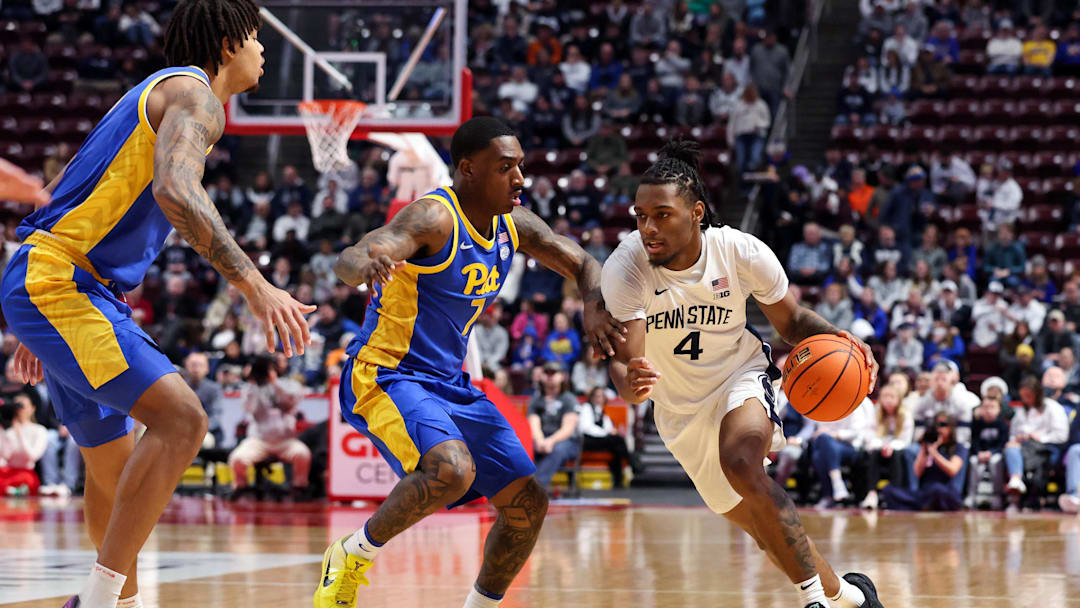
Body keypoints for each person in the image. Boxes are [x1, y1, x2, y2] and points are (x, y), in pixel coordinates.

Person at [1, 4, 317, 607]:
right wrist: (253, 283)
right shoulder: (197, 96)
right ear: (227, 44)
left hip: (58, 281)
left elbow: (76, 189)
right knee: (183, 419)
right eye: (255, 38)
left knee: (111, 469)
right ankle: (95, 602)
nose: (263, 51)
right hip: (62, 284)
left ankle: (116, 603)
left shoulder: (153, 93)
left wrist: (35, 325)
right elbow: (176, 189)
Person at [316, 117, 625, 608]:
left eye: (520, 166)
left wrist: (592, 302)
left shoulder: (514, 224)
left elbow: (585, 263)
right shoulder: (433, 218)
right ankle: (352, 555)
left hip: (449, 382)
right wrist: (365, 263)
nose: (520, 178)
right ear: (468, 170)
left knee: (528, 505)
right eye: (506, 167)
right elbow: (357, 254)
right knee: (451, 470)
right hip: (386, 373)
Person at [601, 140, 884, 608]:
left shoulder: (739, 251)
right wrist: (627, 383)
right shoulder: (627, 268)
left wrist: (844, 338)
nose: (648, 227)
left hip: (740, 375)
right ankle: (854, 597)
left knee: (741, 463)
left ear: (696, 211)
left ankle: (812, 602)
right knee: (763, 529)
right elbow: (624, 361)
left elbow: (791, 323)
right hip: (678, 410)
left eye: (662, 215)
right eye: (640, 215)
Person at [227, 355, 311, 498]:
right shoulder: (252, 388)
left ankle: (299, 488)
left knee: (303, 454)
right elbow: (247, 408)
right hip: (259, 440)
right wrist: (252, 382)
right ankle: (241, 487)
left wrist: (274, 382)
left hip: (285, 441)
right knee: (237, 458)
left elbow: (292, 400)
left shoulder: (289, 384)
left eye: (270, 369)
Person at [1003, 375, 1069, 510]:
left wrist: (1038, 437)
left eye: (1029, 395)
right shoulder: (1022, 411)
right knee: (1011, 447)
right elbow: (1013, 434)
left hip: (1048, 447)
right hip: (1024, 447)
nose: (1026, 400)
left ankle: (1021, 495)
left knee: (1029, 456)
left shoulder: (1053, 408)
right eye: (1023, 396)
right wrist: (1019, 438)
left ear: (1037, 393)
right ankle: (1016, 482)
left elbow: (1062, 435)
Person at [879, 414, 967, 511]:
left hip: (946, 491)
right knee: (888, 490)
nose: (939, 429)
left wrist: (934, 453)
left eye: (943, 425)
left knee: (936, 490)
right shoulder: (928, 446)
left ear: (951, 428)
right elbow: (917, 472)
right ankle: (922, 505)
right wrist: (924, 449)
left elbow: (952, 470)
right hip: (924, 492)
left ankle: (917, 506)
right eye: (936, 425)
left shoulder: (958, 447)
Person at [527, 361, 581, 488]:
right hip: (542, 437)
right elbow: (533, 423)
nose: (550, 376)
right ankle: (514, 486)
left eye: (554, 373)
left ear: (562, 376)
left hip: (567, 441)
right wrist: (540, 440)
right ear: (541, 376)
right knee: (525, 447)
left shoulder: (569, 399)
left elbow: (567, 429)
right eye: (547, 372)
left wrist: (550, 441)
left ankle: (535, 488)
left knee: (556, 450)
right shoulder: (536, 399)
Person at [859, 385, 914, 510]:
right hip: (879, 448)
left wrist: (891, 446)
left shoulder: (905, 415)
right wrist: (881, 446)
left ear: (898, 399)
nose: (888, 400)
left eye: (892, 397)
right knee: (873, 454)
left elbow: (906, 440)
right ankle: (872, 494)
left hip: (898, 450)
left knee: (896, 455)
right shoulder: (876, 412)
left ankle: (894, 494)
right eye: (885, 397)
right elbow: (869, 435)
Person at [579, 387, 640, 487]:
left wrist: (610, 432)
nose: (599, 399)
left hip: (600, 440)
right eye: (597, 396)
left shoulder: (602, 412)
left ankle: (618, 480)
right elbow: (586, 428)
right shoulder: (587, 407)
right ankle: (631, 463)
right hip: (587, 440)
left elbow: (608, 427)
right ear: (592, 397)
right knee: (617, 441)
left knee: (616, 447)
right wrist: (606, 433)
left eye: (601, 396)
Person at [0, 392, 48, 495]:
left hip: (25, 473)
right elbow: (5, 456)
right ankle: (11, 491)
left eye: (22, 406)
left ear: (32, 408)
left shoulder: (39, 430)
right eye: (16, 406)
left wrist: (19, 435)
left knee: (27, 482)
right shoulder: (8, 430)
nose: (19, 410)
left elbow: (32, 456)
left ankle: (12, 491)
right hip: (7, 472)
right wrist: (3, 431)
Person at [966, 394, 1008, 510]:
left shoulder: (1002, 424)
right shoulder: (977, 423)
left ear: (999, 409)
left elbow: (1003, 443)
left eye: (992, 407)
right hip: (980, 453)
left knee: (996, 461)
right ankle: (971, 495)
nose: (988, 410)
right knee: (973, 461)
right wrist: (979, 452)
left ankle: (997, 496)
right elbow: (974, 441)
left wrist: (991, 452)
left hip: (995, 454)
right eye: (985, 407)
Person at [184, 352, 224, 447]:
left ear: (207, 369)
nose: (196, 369)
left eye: (200, 365)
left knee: (206, 442)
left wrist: (198, 430)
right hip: (183, 429)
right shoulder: (180, 387)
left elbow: (216, 416)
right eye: (193, 365)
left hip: (208, 431)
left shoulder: (214, 389)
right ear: (186, 366)